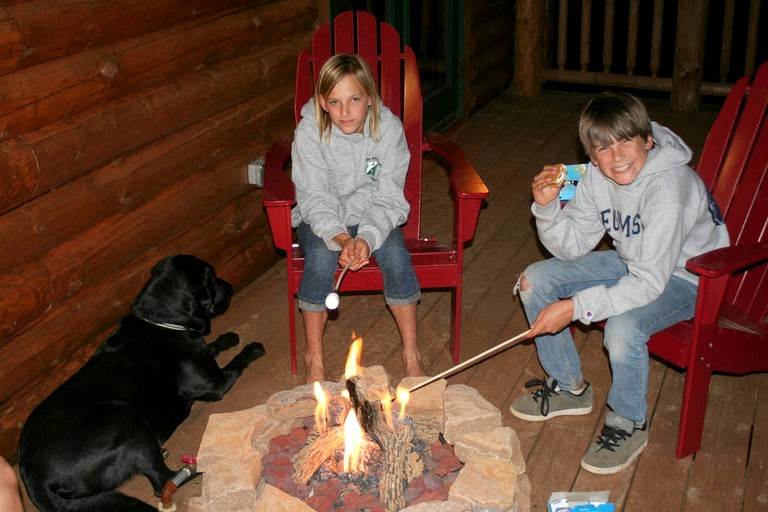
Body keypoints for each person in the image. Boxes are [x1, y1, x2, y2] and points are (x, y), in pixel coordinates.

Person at [510, 92, 729, 474]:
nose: (616, 157)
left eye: (625, 141)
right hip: (634, 262)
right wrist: (546, 209)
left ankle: (629, 421)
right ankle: (568, 386)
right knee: (534, 280)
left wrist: (576, 307)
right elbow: (574, 244)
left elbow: (648, 284)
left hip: (690, 278)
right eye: (602, 149)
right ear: (592, 157)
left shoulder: (668, 188)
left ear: (647, 139)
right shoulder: (597, 176)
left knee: (625, 330)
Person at [290, 53, 427, 383]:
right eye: (334, 102)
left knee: (395, 255)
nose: (345, 111)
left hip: (374, 216)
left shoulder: (387, 130)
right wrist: (341, 238)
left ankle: (412, 354)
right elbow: (314, 196)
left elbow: (389, 194)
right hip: (322, 219)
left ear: (369, 96)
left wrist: (365, 237)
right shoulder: (310, 132)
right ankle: (315, 359)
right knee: (321, 258)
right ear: (322, 102)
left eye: (354, 99)